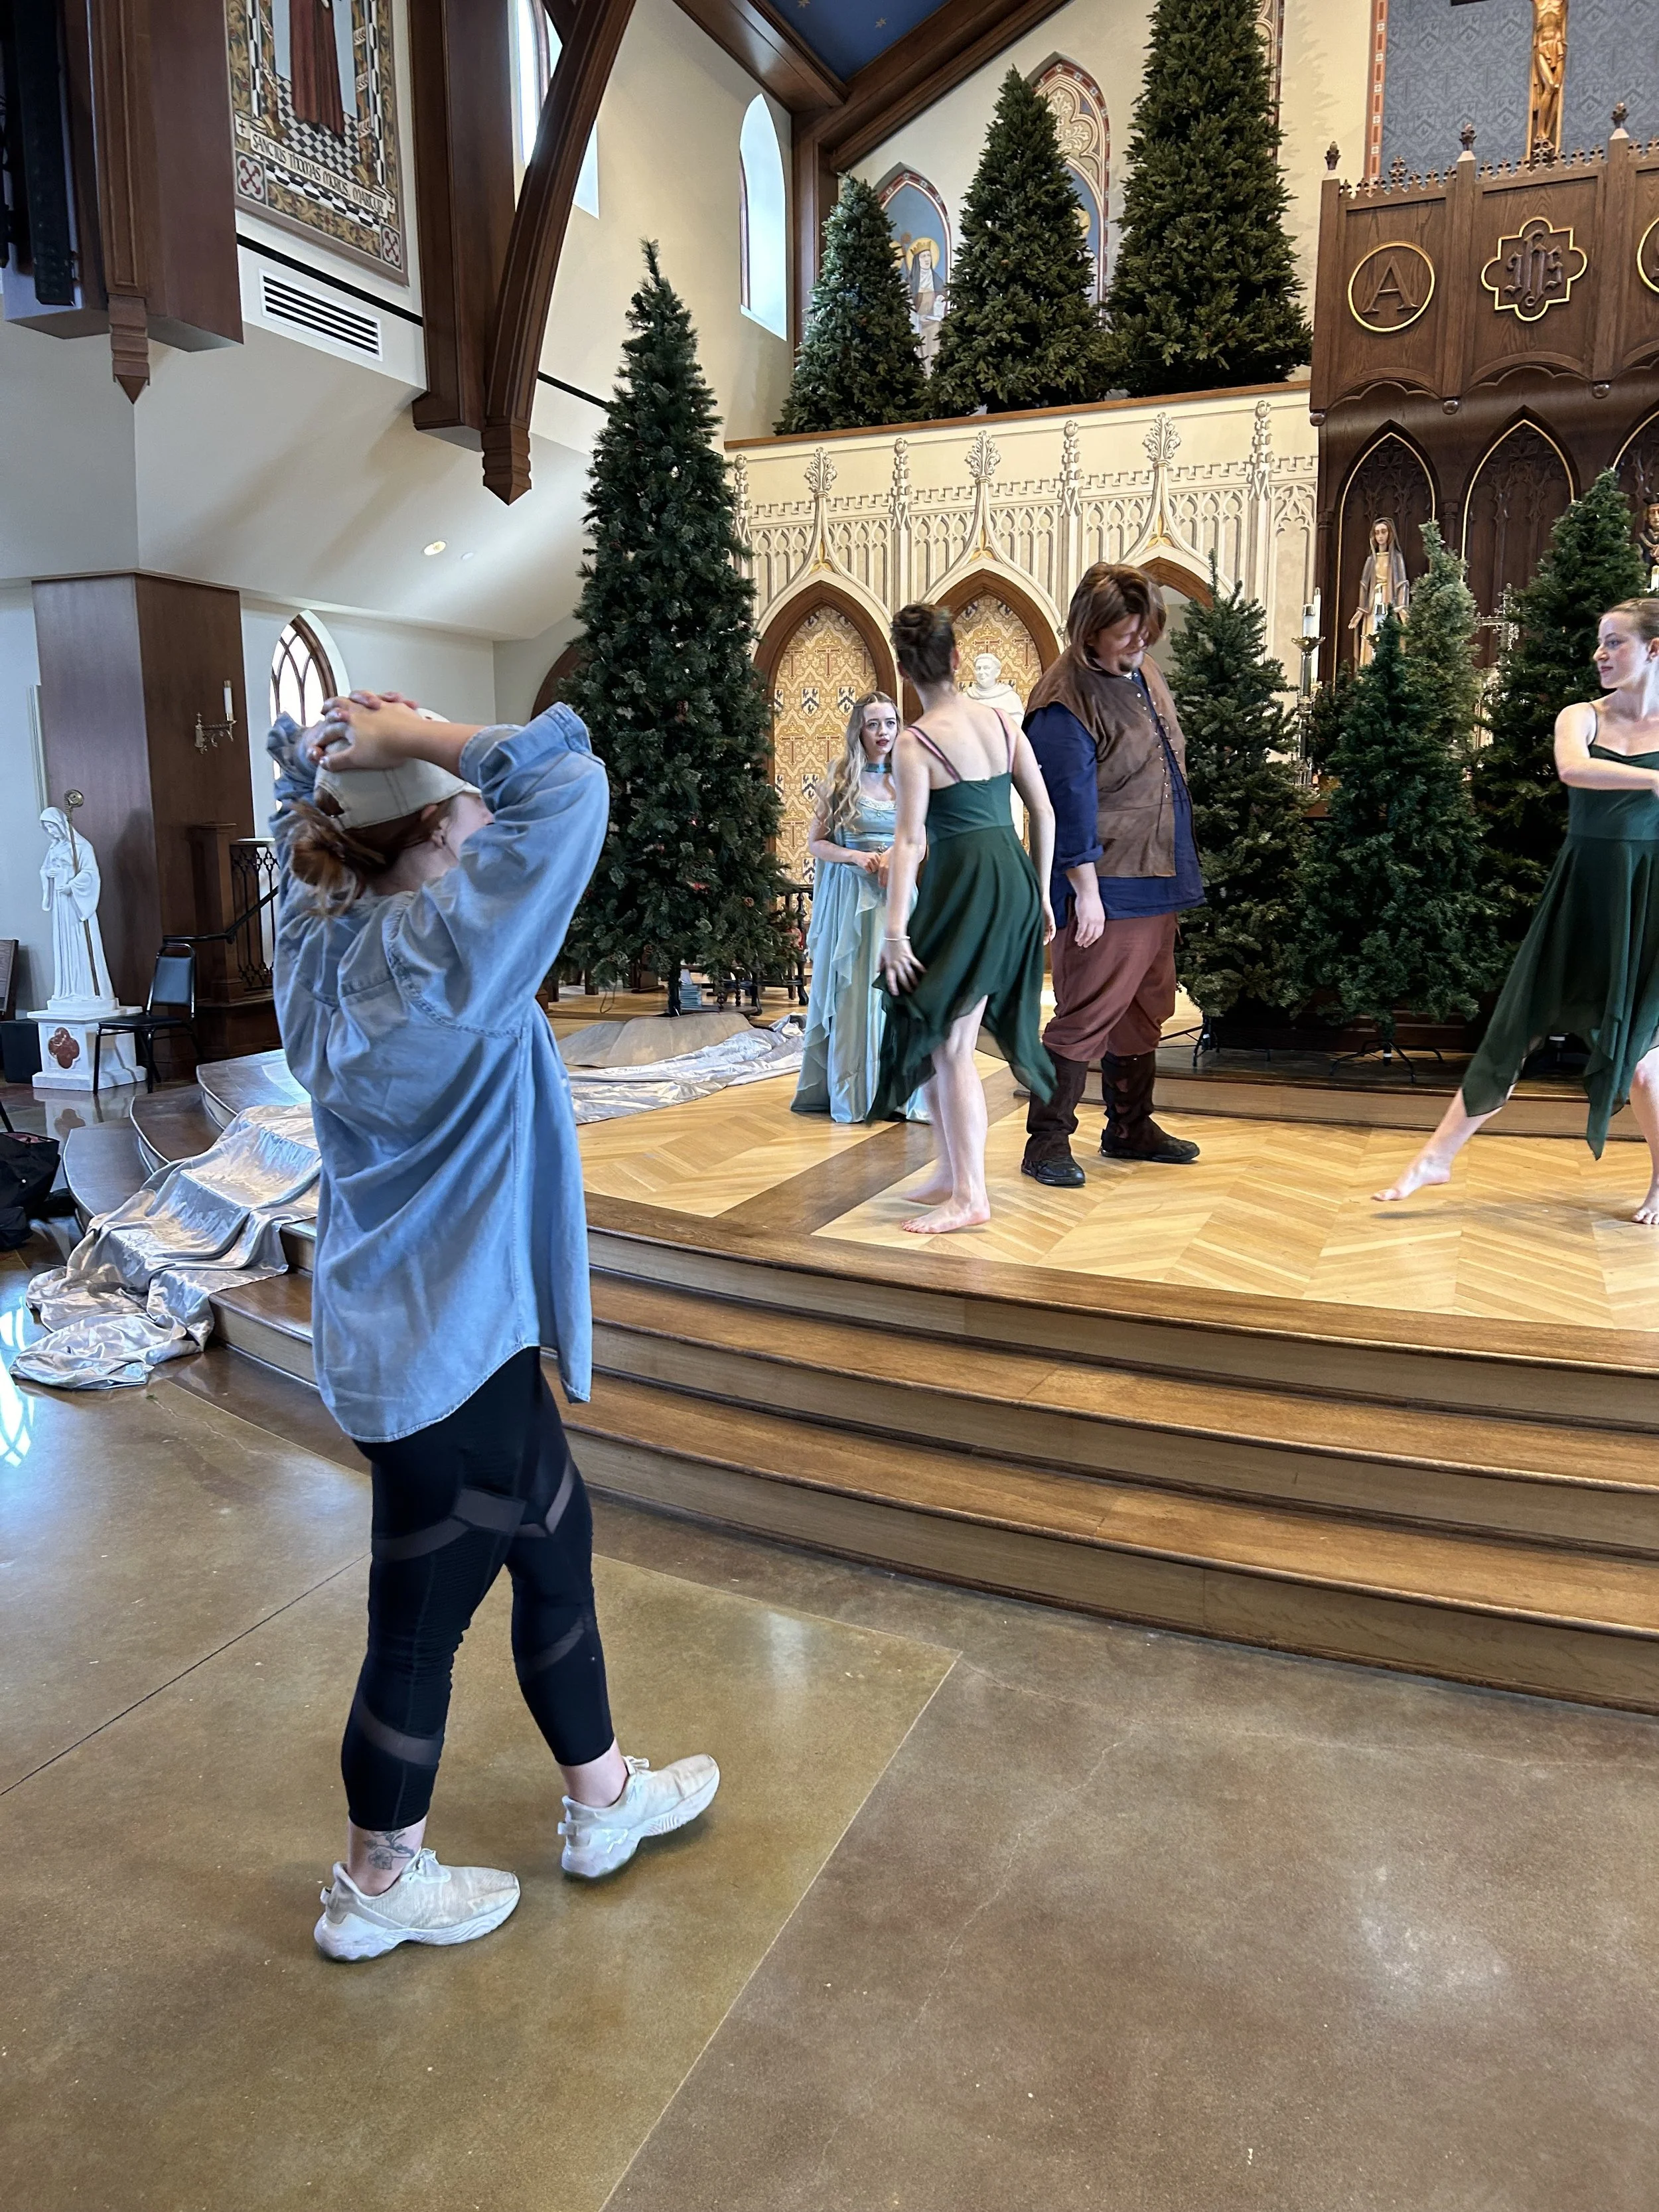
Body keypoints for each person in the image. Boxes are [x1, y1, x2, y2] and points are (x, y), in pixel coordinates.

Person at [268, 689, 717, 1962]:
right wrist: (421, 735)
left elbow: (310, 839)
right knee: (415, 1625)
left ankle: (603, 1798)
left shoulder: (319, 941)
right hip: (447, 1361)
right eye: (462, 822)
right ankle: (375, 1880)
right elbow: (573, 788)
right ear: (422, 844)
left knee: (556, 1539)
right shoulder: (451, 953)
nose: (481, 831)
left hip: (411, 1332)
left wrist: (318, 766)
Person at [1378, 600, 1659, 1220]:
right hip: (1583, 893)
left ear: (1655, 650)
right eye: (1599, 643)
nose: (1601, 654)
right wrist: (1654, 781)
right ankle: (1437, 1156)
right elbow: (1573, 769)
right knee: (1519, 1020)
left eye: (1615, 643)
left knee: (1641, 1057)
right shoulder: (1580, 717)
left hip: (1652, 900)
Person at [872, 603, 1056, 1233]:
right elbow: (1044, 810)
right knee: (926, 1016)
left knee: (950, 1041)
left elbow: (908, 844)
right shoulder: (1003, 722)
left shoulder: (915, 743)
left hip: (968, 887)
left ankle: (971, 1194)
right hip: (1010, 880)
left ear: (904, 670)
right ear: (956, 658)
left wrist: (894, 931)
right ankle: (951, 1171)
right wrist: (1045, 892)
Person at [1019, 563, 1205, 1188]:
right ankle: (1046, 1141)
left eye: (1146, 633)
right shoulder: (1061, 701)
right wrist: (1086, 894)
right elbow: (1065, 807)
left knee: (1147, 1005)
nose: (1139, 645)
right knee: (1087, 1012)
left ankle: (1130, 1127)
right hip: (1104, 882)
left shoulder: (1141, 671)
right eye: (1127, 634)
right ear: (1089, 630)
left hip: (1157, 869)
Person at [794, 692, 924, 1123]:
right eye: (874, 724)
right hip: (854, 904)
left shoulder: (909, 774)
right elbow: (816, 842)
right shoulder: (841, 777)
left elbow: (922, 841)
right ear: (860, 730)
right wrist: (855, 857)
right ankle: (857, 1095)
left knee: (899, 993)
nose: (884, 732)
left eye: (890, 722)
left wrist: (896, 857)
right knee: (855, 1000)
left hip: (898, 899)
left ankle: (900, 1095)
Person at [1349, 518, 1409, 667]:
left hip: (1390, 605)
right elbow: (1364, 585)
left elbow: (1402, 584)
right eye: (1377, 533)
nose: (1380, 536)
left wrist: (1401, 608)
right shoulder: (1371, 560)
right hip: (1373, 604)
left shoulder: (1396, 558)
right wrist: (1361, 610)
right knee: (1372, 637)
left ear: (1390, 534)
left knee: (1389, 639)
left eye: (1384, 532)